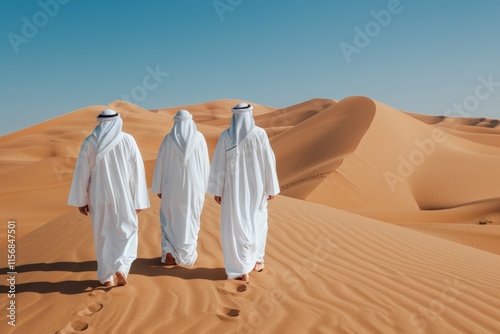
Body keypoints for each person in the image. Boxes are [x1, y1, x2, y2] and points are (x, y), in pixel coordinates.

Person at [68, 108, 150, 287]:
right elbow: (137, 170)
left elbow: (82, 171)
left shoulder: (89, 142)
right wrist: (139, 199)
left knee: (102, 235)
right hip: (124, 195)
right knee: (128, 230)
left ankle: (106, 277)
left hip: (98, 195)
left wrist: (82, 200)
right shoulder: (128, 140)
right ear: (117, 121)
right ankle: (121, 266)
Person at [208, 102, 280, 282]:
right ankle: (256, 261)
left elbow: (218, 164)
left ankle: (240, 268)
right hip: (257, 188)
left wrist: (218, 189)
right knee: (257, 222)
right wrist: (271, 186)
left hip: (233, 191)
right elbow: (269, 162)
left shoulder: (226, 136)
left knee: (235, 225)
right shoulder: (260, 134)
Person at [151, 109, 210, 266]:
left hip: (171, 187)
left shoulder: (168, 139)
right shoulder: (200, 138)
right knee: (190, 219)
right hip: (194, 188)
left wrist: (158, 187)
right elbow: (205, 165)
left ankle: (169, 251)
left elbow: (160, 165)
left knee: (169, 219)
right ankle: (186, 256)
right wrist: (205, 186)